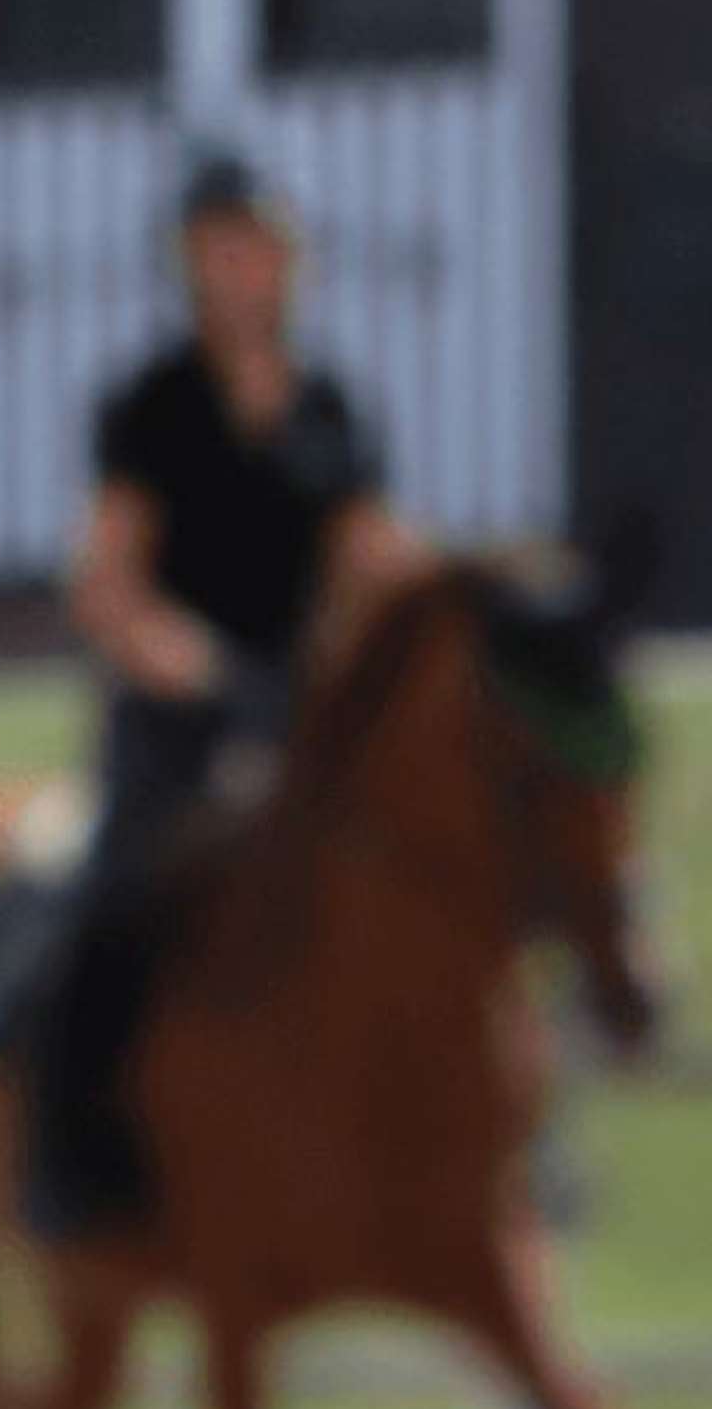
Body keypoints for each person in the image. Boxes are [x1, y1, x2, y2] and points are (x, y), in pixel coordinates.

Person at [28, 146, 419, 1238]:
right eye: (223, 249)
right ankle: (73, 1158)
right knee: (114, 899)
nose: (247, 268)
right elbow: (106, 585)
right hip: (177, 717)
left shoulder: (327, 405)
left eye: (262, 248)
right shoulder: (153, 405)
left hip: (303, 718)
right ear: (193, 265)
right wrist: (206, 672)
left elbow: (367, 557)